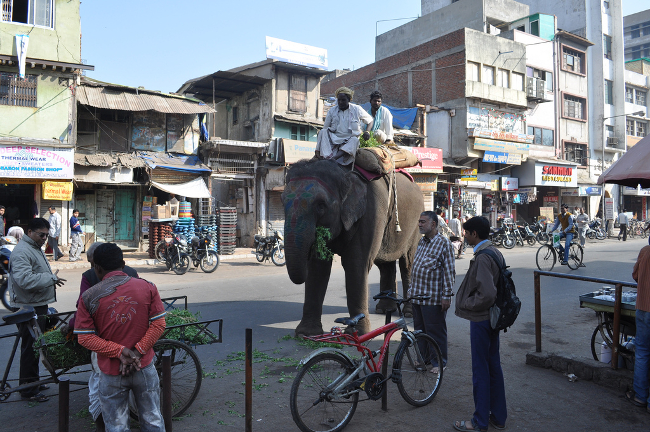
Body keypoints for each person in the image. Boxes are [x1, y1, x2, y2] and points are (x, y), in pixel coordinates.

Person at [74, 243, 166, 432]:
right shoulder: (148, 287)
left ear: (97, 268)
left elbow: (85, 338)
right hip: (144, 366)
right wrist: (137, 352)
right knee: (153, 420)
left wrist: (120, 352)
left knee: (116, 426)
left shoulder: (89, 297)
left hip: (110, 372)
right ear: (123, 264)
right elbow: (159, 324)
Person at [64, 242, 139, 431]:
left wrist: (71, 327)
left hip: (105, 343)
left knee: (102, 388)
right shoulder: (138, 279)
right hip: (133, 342)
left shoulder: (90, 280)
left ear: (98, 266)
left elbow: (83, 318)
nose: (92, 268)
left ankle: (106, 424)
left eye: (92, 263)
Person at [453, 216, 507, 432]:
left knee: (481, 370)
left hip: (482, 319)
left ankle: (479, 421)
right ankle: (498, 417)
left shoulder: (484, 257)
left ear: (475, 233)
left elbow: (486, 295)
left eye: (466, 232)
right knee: (493, 366)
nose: (464, 236)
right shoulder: (494, 252)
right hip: (492, 319)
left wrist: (467, 303)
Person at [8, 218, 66, 402]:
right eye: (41, 235)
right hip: (28, 306)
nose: (44, 239)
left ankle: (33, 382)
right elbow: (24, 280)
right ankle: (28, 390)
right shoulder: (22, 251)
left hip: (37, 303)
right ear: (30, 232)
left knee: (35, 347)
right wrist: (50, 279)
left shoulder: (33, 248)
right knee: (30, 348)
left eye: (46, 235)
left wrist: (49, 279)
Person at [408, 211, 456, 373]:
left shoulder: (444, 244)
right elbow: (416, 268)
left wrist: (447, 296)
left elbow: (449, 273)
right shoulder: (421, 242)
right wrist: (410, 292)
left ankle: (439, 363)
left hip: (433, 299)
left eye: (423, 222)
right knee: (420, 332)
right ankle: (424, 359)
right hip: (417, 297)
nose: (420, 224)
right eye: (419, 221)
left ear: (433, 224)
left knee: (435, 332)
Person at [315, 87, 373, 166]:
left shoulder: (357, 109)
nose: (340, 102)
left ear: (349, 100)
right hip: (334, 139)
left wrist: (367, 132)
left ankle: (333, 159)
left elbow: (370, 121)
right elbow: (325, 128)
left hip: (349, 140)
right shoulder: (332, 111)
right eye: (339, 100)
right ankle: (320, 155)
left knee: (355, 140)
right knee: (322, 132)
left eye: (343, 100)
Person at [627, 245, 650, 410]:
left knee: (642, 352)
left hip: (643, 307)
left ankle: (641, 396)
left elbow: (635, 275)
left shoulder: (646, 251)